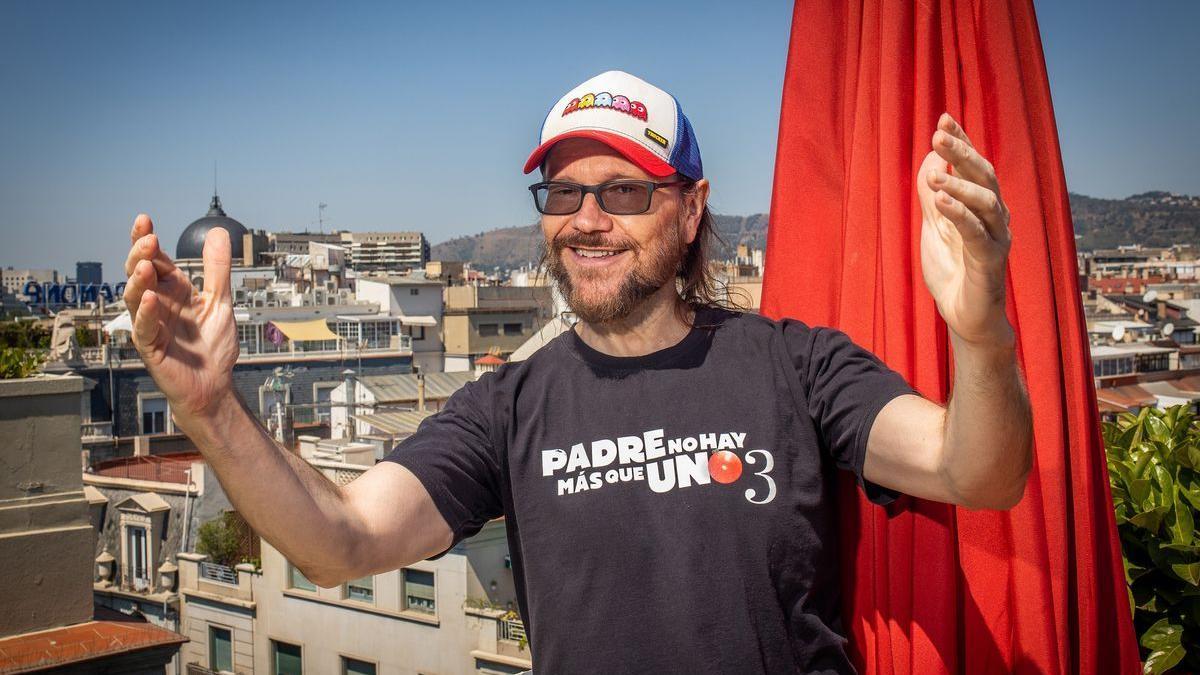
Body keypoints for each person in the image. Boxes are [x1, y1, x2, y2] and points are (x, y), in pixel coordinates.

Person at [122, 70, 1032, 673]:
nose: (587, 218)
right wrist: (212, 410)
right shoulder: (508, 408)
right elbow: (340, 543)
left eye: (625, 190)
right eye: (564, 191)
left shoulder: (796, 366)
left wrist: (981, 331)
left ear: (690, 210)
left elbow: (977, 470)